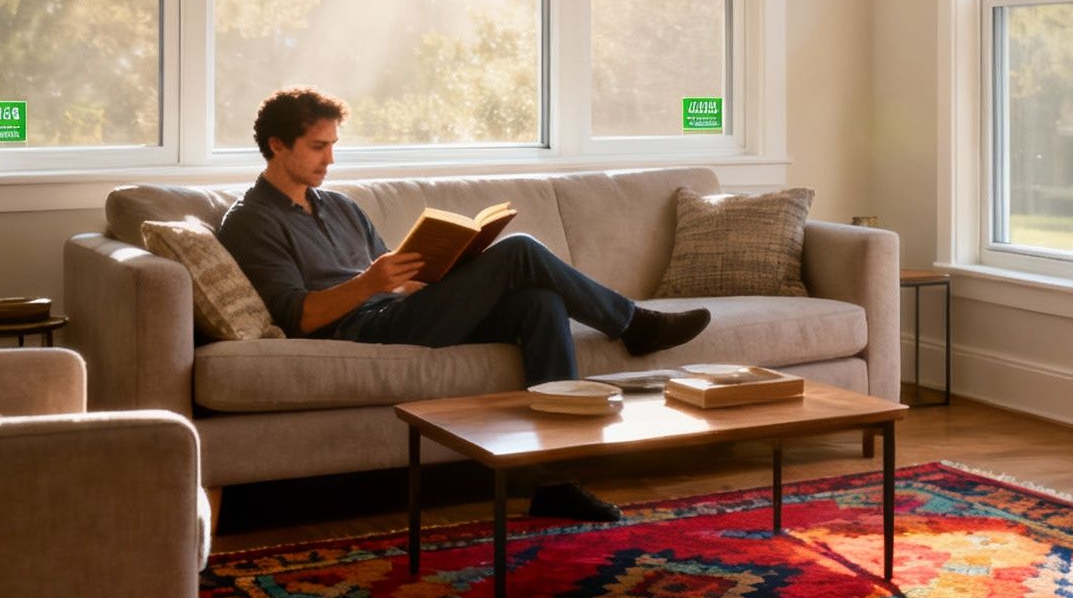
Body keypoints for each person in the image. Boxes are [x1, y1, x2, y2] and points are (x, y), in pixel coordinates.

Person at [217, 87, 711, 521]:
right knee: (521, 250)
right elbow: (296, 316)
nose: (330, 161)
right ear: (277, 145)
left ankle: (554, 484)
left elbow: (399, 279)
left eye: (333, 147)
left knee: (538, 302)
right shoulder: (251, 221)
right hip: (360, 329)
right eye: (318, 147)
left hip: (400, 310)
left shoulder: (339, 205)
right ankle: (632, 323)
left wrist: (455, 270)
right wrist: (369, 284)